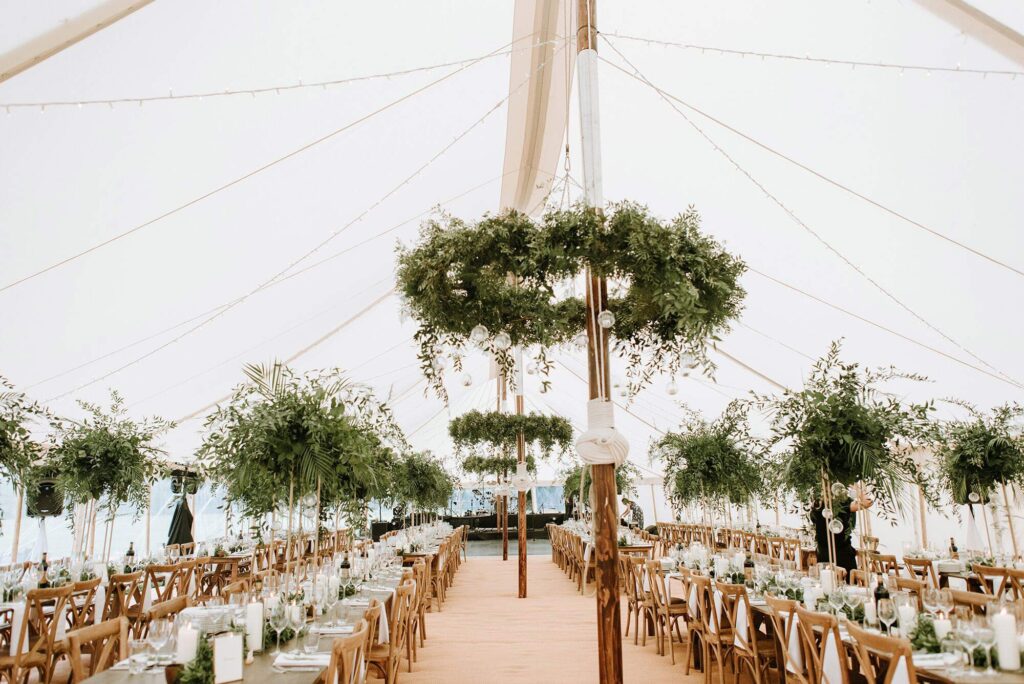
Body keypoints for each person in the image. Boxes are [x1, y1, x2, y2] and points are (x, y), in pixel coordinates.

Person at [809, 485, 872, 574]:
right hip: (841, 555)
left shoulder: (817, 504)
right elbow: (868, 502)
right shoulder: (842, 503)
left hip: (823, 554)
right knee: (848, 586)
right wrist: (859, 490)